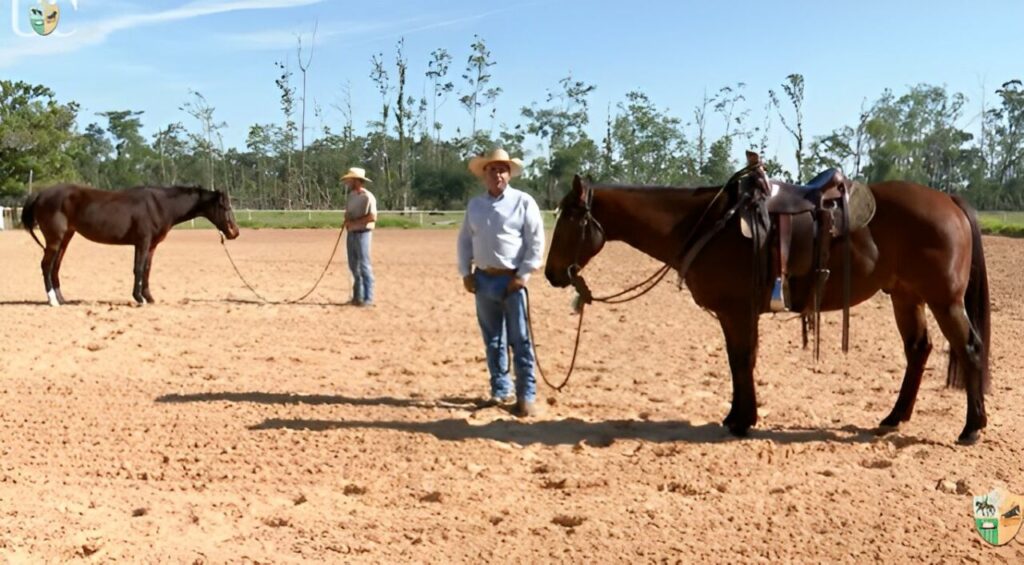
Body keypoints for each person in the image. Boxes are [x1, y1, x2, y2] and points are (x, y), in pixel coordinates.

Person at [457, 148, 545, 417]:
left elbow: (536, 241)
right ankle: (499, 390)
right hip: (483, 279)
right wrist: (466, 273)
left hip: (512, 281)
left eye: (502, 169)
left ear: (509, 173)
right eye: (492, 169)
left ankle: (526, 394)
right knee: (493, 340)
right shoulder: (475, 205)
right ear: (485, 174)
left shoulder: (523, 202)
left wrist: (523, 275)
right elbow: (464, 240)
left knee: (520, 341)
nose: (497, 173)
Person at [341, 167, 377, 306]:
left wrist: (353, 222)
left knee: (364, 265)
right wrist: (347, 219)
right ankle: (357, 296)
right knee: (353, 265)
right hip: (351, 233)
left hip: (363, 234)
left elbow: (372, 217)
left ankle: (368, 297)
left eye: (350, 179)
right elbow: (349, 213)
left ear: (356, 180)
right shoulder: (351, 196)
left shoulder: (368, 196)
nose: (348, 182)